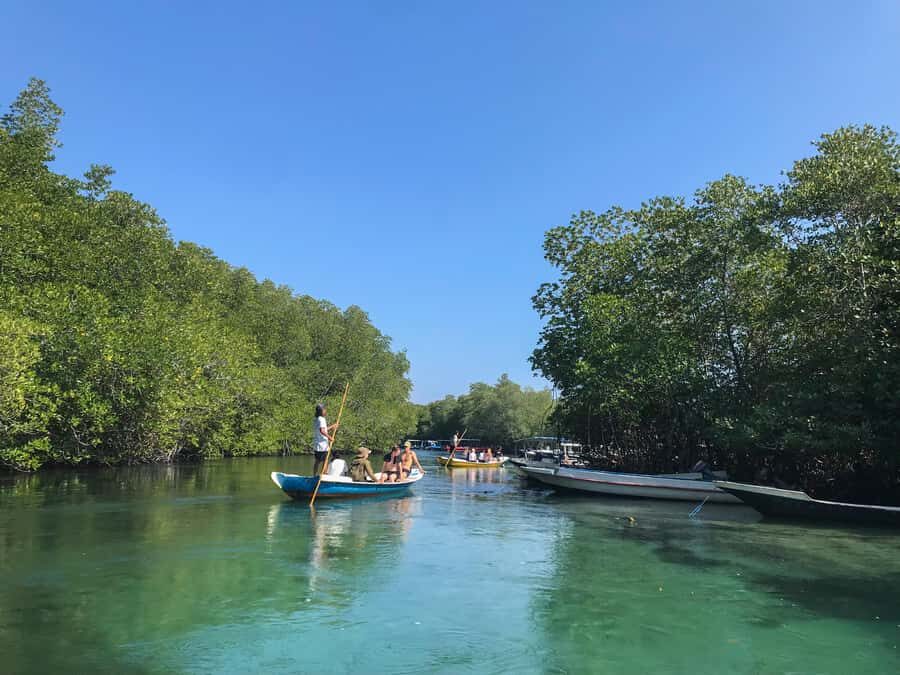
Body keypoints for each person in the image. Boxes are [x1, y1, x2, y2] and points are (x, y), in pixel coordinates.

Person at [313, 403, 339, 476]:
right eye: (324, 409)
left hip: (317, 445)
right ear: (321, 411)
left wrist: (332, 426)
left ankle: (314, 475)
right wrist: (330, 437)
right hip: (323, 445)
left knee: (317, 461)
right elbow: (322, 431)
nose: (326, 411)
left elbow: (323, 429)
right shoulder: (322, 419)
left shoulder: (316, 419)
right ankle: (323, 476)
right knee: (325, 461)